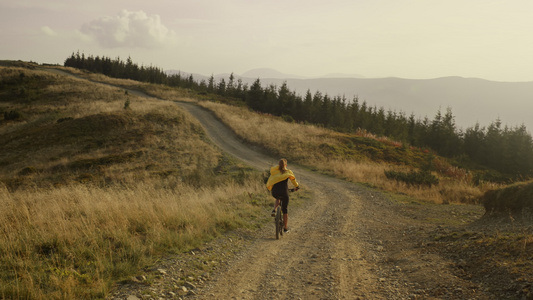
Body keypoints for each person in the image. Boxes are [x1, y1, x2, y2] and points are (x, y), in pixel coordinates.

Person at [266, 159, 299, 233]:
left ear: (278, 165)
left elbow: (270, 180)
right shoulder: (288, 172)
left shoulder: (274, 171)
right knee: (285, 210)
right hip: (284, 192)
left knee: (278, 198)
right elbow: (293, 180)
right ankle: (285, 228)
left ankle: (274, 210)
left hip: (275, 191)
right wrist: (297, 186)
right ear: (286, 165)